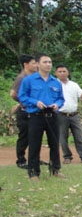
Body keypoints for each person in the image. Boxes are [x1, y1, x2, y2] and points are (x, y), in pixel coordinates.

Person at [18, 53, 65, 181]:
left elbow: (61, 98)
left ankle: (55, 169)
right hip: (36, 115)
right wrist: (35, 102)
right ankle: (33, 172)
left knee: (54, 143)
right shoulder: (29, 80)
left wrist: (57, 104)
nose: (48, 64)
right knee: (34, 144)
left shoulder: (56, 82)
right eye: (45, 62)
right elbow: (22, 96)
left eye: (50, 62)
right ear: (38, 64)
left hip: (52, 116)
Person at [55, 64, 82, 164]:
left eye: (64, 71)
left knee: (79, 137)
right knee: (63, 138)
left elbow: (81, 97)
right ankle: (67, 157)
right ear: (56, 73)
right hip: (61, 114)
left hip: (74, 114)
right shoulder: (54, 84)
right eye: (60, 71)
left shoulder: (73, 84)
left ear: (67, 72)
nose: (62, 73)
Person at [10, 54, 38, 169]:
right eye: (33, 63)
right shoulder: (22, 78)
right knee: (24, 136)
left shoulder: (35, 77)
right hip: (24, 112)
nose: (36, 65)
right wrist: (23, 102)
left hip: (34, 111)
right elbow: (13, 93)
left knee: (35, 136)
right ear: (26, 64)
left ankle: (34, 158)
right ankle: (21, 160)